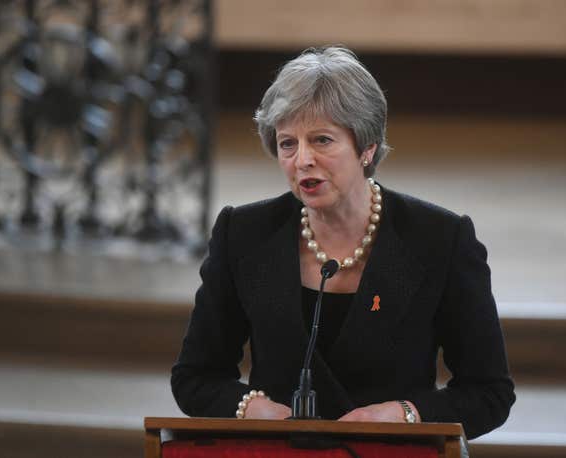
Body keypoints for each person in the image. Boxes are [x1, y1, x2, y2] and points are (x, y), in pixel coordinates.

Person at [171, 46, 515, 439]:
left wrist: (405, 415)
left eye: (321, 140)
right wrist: (250, 407)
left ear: (367, 147)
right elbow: (195, 377)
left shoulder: (440, 239)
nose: (302, 160)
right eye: (288, 143)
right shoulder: (244, 233)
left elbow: (489, 393)